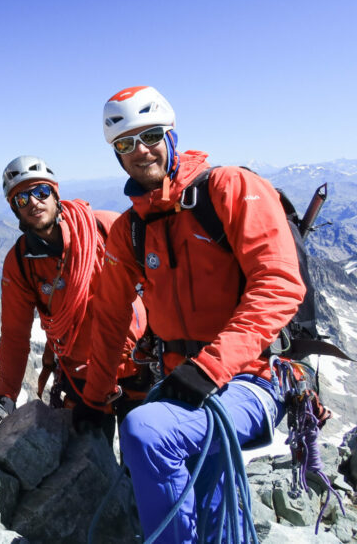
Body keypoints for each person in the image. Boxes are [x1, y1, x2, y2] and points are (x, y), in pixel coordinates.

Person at [73, 85, 305, 543]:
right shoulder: (130, 230)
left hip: (255, 377)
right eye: (125, 144)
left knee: (146, 430)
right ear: (116, 154)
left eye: (151, 135)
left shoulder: (231, 189)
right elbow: (110, 317)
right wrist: (95, 399)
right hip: (185, 384)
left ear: (172, 136)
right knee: (211, 501)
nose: (140, 151)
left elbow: (279, 285)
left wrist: (209, 367)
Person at [0, 156, 148, 436]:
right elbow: (15, 335)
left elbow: (154, 281)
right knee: (86, 471)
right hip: (81, 378)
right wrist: (6, 395)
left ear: (55, 194)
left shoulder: (104, 228)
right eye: (21, 199)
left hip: (134, 365)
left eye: (40, 192)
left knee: (143, 455)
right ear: (14, 209)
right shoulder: (20, 263)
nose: (33, 202)